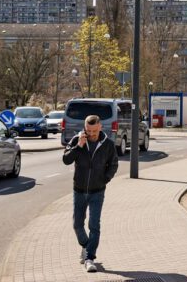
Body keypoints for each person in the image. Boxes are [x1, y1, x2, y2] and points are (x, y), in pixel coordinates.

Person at [62, 115, 119, 273]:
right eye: (88, 130)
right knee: (77, 224)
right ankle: (86, 246)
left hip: (97, 191)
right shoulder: (77, 140)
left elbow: (113, 164)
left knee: (94, 225)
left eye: (94, 130)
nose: (92, 134)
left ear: (100, 127)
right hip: (79, 190)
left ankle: (89, 258)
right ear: (84, 128)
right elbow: (66, 160)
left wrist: (104, 180)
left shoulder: (107, 144)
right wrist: (79, 146)